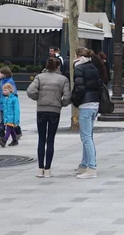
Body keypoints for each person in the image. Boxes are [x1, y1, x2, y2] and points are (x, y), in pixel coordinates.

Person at [27, 57, 71, 178]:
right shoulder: (63, 79)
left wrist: (38, 98)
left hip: (41, 109)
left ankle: (40, 168)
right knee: (50, 140)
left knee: (41, 139)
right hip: (54, 111)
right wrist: (61, 103)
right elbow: (67, 97)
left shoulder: (40, 77)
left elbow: (30, 91)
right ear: (58, 67)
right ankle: (48, 169)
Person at [70, 48, 102, 179]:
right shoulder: (93, 66)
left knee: (86, 137)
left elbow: (79, 87)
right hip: (94, 103)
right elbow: (100, 85)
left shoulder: (78, 67)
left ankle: (91, 168)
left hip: (85, 104)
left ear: (77, 56)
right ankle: (84, 164)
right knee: (88, 136)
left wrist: (75, 100)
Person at [0, 66, 20, 141]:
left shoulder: (9, 82)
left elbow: (13, 93)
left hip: (8, 105)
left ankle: (16, 132)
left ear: (5, 74)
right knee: (3, 120)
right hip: (3, 104)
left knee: (7, 120)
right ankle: (2, 134)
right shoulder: (2, 81)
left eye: (0, 73)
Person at [0, 83, 20, 148]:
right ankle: (15, 140)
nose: (3, 92)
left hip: (12, 117)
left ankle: (4, 141)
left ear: (10, 90)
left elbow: (17, 110)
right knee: (11, 130)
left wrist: (16, 119)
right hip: (6, 117)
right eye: (3, 90)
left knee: (8, 129)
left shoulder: (14, 99)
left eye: (5, 90)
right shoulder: (4, 98)